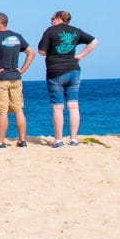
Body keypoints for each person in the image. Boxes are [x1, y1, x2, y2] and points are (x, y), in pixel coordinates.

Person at [37, 10, 99, 147]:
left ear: (59, 18)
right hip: (73, 70)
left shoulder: (50, 31)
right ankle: (73, 138)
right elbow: (94, 41)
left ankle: (59, 139)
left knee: (58, 107)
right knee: (73, 105)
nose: (51, 21)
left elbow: (41, 51)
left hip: (55, 71)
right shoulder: (76, 31)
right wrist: (81, 55)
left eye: (52, 18)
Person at [0, 12, 34, 149]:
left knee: (2, 111)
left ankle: (0, 141)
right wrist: (22, 70)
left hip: (1, 78)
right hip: (15, 78)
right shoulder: (17, 37)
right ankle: (22, 140)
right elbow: (31, 53)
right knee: (18, 109)